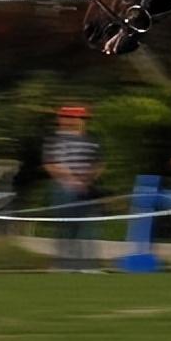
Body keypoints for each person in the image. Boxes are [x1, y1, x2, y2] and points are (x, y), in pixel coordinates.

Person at [42, 105, 104, 271]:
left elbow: (98, 164)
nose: (79, 121)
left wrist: (87, 181)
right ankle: (63, 264)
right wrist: (71, 180)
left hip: (86, 188)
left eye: (81, 118)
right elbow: (51, 165)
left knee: (87, 227)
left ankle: (87, 265)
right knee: (66, 227)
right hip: (63, 188)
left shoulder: (91, 139)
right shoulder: (54, 140)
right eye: (74, 117)